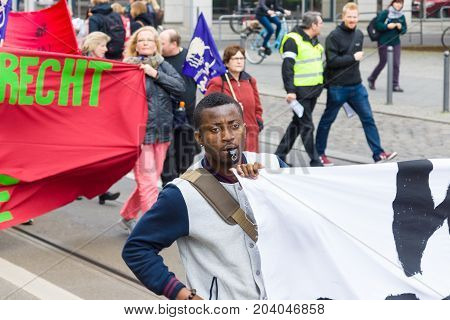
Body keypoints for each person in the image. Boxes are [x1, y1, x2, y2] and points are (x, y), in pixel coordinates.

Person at [122, 92, 288, 300]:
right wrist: (184, 296)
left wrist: (269, 186)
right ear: (199, 137)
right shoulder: (181, 194)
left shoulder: (275, 168)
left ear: (245, 130)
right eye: (215, 129)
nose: (228, 136)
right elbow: (137, 249)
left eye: (234, 126)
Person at [120, 26, 185, 233]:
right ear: (135, 45)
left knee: (149, 179)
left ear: (156, 44)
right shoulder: (126, 68)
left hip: (163, 131)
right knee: (148, 182)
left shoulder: (162, 65)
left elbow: (180, 88)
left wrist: (155, 74)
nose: (145, 43)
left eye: (149, 40)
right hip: (140, 134)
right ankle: (152, 230)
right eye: (141, 40)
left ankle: (128, 215)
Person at [316, 2, 397, 166]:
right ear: (343, 17)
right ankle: (319, 154)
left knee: (368, 118)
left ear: (358, 18)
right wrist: (353, 58)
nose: (352, 19)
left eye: (355, 17)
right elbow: (331, 61)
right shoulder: (334, 36)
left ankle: (378, 154)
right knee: (327, 120)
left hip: (356, 86)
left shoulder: (359, 34)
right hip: (337, 87)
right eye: (349, 16)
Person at [275, 11, 324, 167]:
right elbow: (287, 68)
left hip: (313, 91)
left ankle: (279, 156)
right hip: (300, 92)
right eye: (320, 23)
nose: (322, 25)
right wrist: (290, 91)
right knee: (307, 125)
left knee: (297, 124)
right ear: (313, 25)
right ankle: (315, 161)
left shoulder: (314, 40)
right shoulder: (292, 40)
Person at [81, 31, 122, 205]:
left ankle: (101, 191)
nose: (106, 49)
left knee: (99, 157)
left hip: (99, 116)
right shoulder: (80, 63)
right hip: (83, 117)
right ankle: (80, 187)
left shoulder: (105, 64)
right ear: (93, 45)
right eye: (102, 45)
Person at [159, 29, 199, 185]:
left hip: (187, 115)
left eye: (162, 43)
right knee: (169, 154)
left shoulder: (189, 58)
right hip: (167, 115)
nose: (159, 46)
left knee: (187, 152)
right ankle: (170, 182)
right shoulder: (159, 60)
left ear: (174, 44)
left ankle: (181, 176)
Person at [206, 45, 264, 153]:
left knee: (250, 166)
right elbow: (207, 109)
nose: (239, 62)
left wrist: (258, 121)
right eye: (235, 59)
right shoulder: (218, 82)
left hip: (250, 134)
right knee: (232, 167)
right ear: (227, 62)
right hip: (228, 136)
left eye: (241, 58)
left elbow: (257, 107)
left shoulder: (250, 81)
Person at [367, 0, 407, 92]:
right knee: (383, 62)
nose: (398, 5)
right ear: (392, 3)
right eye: (396, 2)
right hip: (383, 42)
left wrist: (401, 28)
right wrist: (387, 26)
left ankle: (395, 85)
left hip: (396, 43)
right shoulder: (386, 13)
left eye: (400, 3)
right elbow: (377, 25)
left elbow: (404, 30)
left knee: (396, 64)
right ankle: (372, 78)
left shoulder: (402, 16)